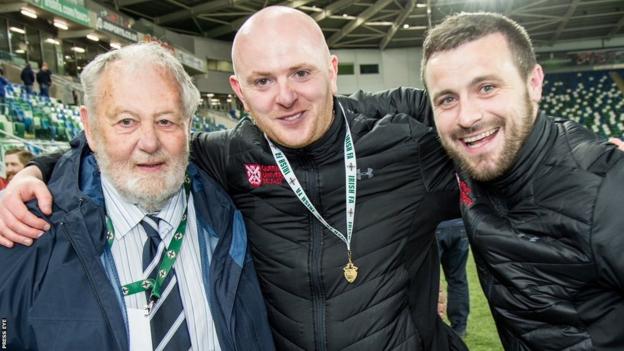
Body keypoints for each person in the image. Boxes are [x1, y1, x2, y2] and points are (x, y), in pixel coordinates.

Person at [0, 7, 466, 351]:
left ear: (331, 72)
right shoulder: (224, 159)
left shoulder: (408, 145)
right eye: (263, 81)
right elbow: (126, 147)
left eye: (301, 73)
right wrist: (35, 172)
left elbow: (482, 135)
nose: (285, 96)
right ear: (240, 93)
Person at [0, 43, 273, 350]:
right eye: (126, 122)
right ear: (89, 127)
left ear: (189, 125)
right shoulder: (26, 236)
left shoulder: (235, 210)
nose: (149, 142)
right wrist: (33, 170)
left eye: (165, 121)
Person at [421, 12, 624, 350]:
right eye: (447, 99)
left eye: (487, 87)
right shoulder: (468, 161)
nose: (467, 116)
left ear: (534, 83)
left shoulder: (607, 190)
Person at [436, 218, 469, 338]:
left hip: (435, 226)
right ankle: (460, 328)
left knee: (428, 280)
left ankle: (432, 326)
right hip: (459, 225)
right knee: (458, 280)